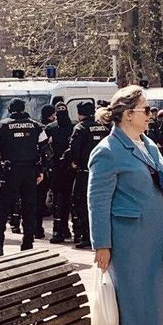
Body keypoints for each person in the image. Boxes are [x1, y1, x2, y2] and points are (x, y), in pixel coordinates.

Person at [88, 85, 163, 325]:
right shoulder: (107, 151)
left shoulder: (147, 144)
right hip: (129, 244)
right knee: (135, 307)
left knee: (157, 307)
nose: (151, 116)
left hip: (158, 241)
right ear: (128, 115)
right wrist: (101, 243)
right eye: (146, 110)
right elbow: (97, 202)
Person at [0, 98, 47, 258]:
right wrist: (40, 170)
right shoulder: (36, 126)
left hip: (10, 171)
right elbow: (47, 151)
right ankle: (28, 244)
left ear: (11, 110)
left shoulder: (3, 126)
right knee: (29, 208)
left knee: (1, 210)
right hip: (30, 172)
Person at [67, 101, 111, 248]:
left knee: (80, 204)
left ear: (80, 114)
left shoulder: (80, 128)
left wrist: (74, 162)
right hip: (103, 172)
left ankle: (85, 236)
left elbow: (74, 150)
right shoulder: (105, 128)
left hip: (85, 173)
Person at [46, 101, 76, 243]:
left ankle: (60, 230)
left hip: (61, 169)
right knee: (65, 201)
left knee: (62, 201)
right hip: (65, 169)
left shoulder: (52, 128)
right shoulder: (74, 127)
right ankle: (65, 229)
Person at [35, 105, 58, 239]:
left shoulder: (38, 127)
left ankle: (35, 228)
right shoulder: (48, 128)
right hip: (46, 169)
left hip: (36, 169)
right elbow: (47, 151)